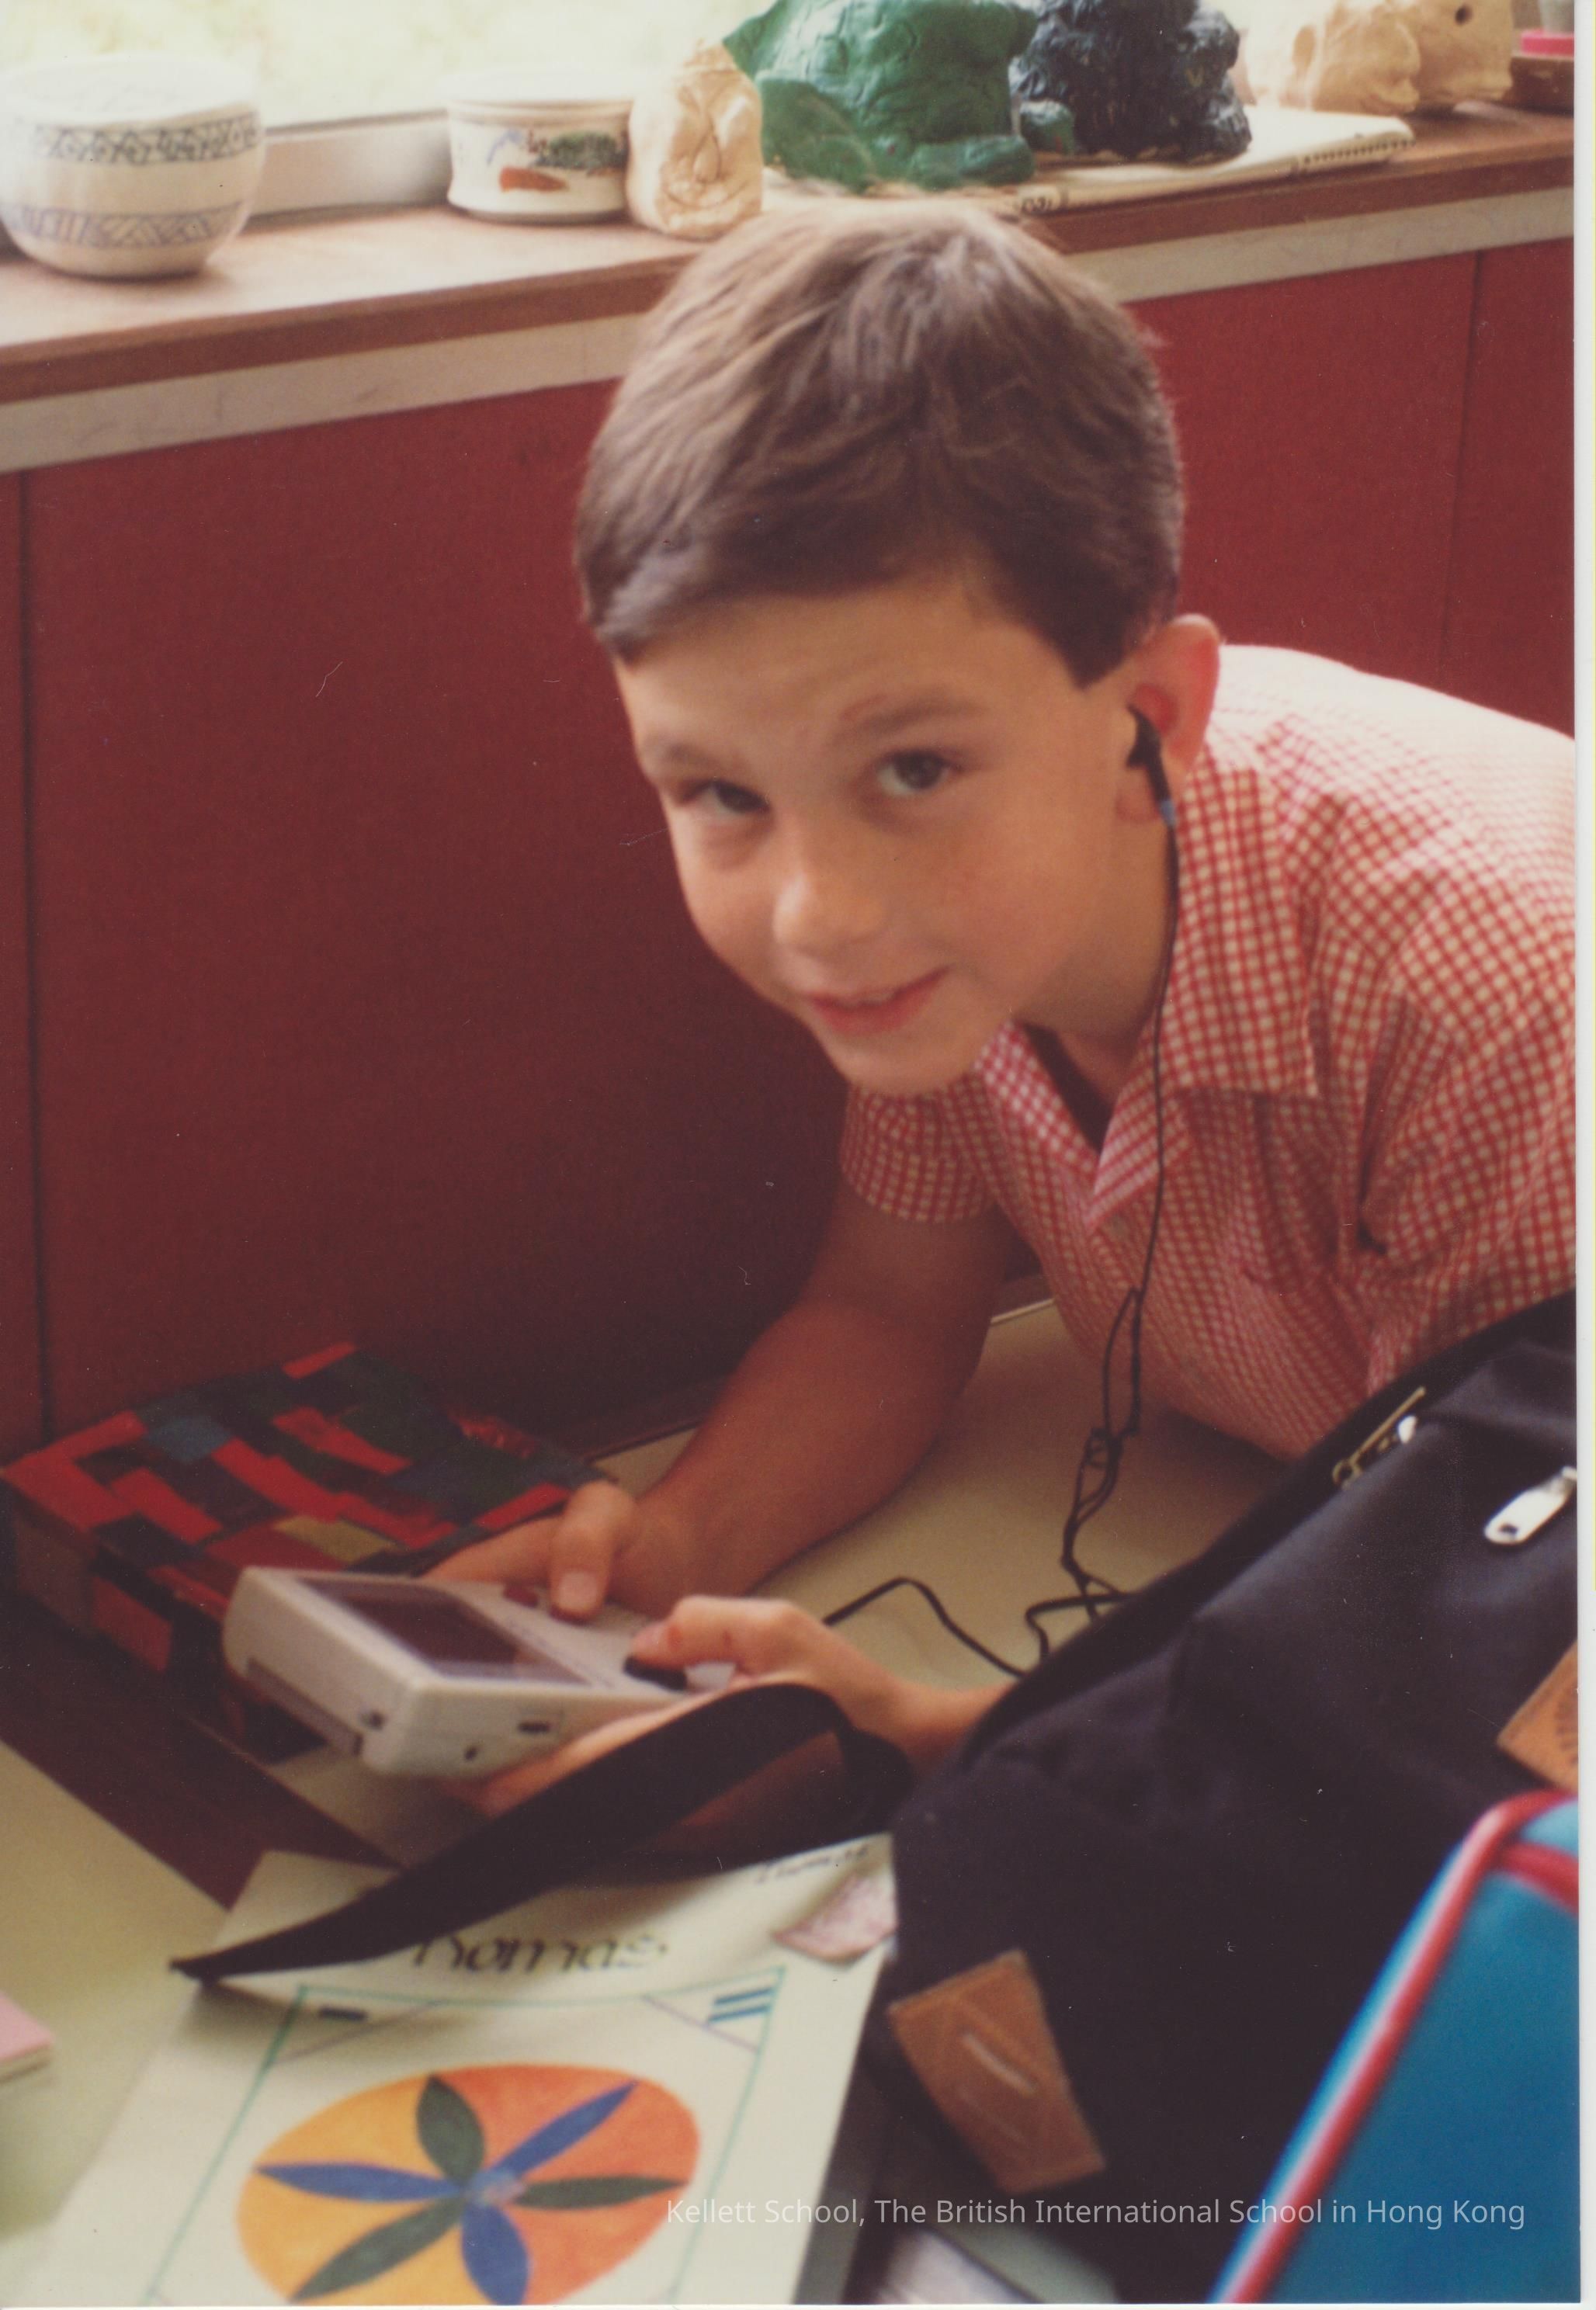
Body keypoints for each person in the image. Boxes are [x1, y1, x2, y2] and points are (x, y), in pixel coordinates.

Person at [438, 200, 1574, 1808]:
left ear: (1150, 718)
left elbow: (1500, 1632)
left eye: (913, 770)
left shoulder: (1484, 982)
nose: (816, 913)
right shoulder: (954, 947)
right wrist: (668, 1556)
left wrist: (910, 1743)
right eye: (721, 793)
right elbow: (889, 1315)